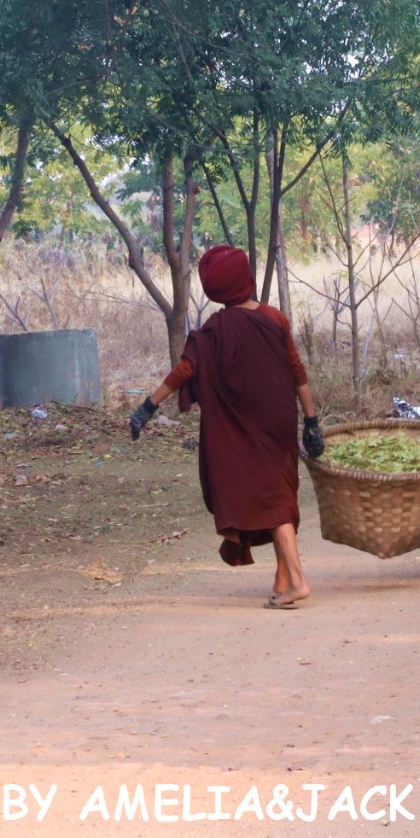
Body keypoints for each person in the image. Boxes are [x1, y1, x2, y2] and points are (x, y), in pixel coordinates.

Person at [129, 244, 325, 608]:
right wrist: (311, 421)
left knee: (273, 499)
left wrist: (148, 406)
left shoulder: (213, 331)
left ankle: (297, 581)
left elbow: (183, 372)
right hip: (278, 421)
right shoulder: (274, 318)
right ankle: (283, 578)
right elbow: (298, 373)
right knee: (279, 493)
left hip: (239, 427)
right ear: (246, 278)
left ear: (214, 288)